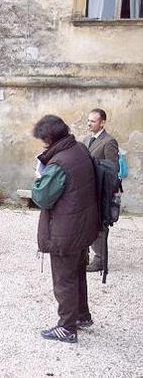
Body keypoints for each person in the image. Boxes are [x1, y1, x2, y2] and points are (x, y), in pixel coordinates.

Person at [31, 115, 99, 343]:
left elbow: (42, 197)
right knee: (78, 273)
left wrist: (39, 176)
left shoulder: (59, 162)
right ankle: (81, 315)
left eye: (43, 140)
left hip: (65, 229)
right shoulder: (79, 148)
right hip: (82, 225)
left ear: (50, 138)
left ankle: (67, 327)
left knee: (64, 279)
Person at [83, 108, 119, 272]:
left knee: (99, 226)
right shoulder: (85, 139)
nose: (89, 123)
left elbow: (112, 169)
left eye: (93, 121)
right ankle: (85, 255)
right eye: (88, 120)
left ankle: (101, 259)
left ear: (102, 122)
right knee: (86, 223)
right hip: (87, 190)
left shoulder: (109, 141)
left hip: (101, 192)